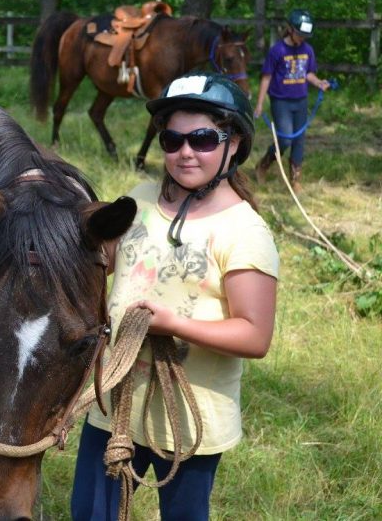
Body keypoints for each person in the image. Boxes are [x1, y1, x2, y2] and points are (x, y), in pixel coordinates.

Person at [70, 72, 279, 521]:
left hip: (189, 418)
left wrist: (172, 325)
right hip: (115, 404)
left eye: (203, 139)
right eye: (172, 139)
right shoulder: (138, 200)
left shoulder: (244, 232)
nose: (185, 152)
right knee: (89, 513)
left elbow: (255, 335)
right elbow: (95, 260)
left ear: (235, 143)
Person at [253, 9, 330, 193]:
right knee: (285, 139)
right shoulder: (277, 50)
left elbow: (308, 73)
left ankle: (295, 179)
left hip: (300, 101)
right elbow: (266, 77)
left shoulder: (307, 50)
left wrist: (319, 82)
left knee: (299, 141)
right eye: (300, 34)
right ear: (290, 29)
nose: (302, 38)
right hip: (281, 101)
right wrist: (260, 103)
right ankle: (263, 165)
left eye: (305, 36)